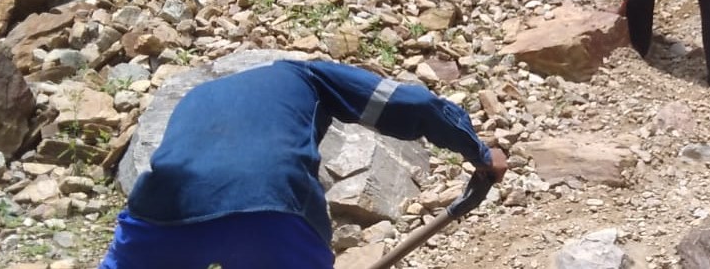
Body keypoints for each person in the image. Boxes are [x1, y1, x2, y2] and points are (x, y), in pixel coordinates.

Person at [100, 59, 507, 269]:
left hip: (164, 207)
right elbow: (408, 103)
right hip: (273, 205)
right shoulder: (305, 75)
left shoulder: (197, 95)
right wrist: (479, 152)